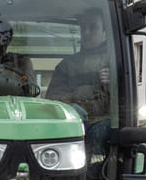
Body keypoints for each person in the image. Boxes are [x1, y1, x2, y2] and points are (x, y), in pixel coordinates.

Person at [45, 11, 113, 158]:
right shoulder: (67, 65)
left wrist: (111, 84)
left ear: (105, 32)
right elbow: (53, 98)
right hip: (72, 123)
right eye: (83, 28)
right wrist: (71, 107)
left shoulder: (117, 61)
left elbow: (124, 101)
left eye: (93, 27)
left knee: (101, 131)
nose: (87, 33)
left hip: (105, 125)